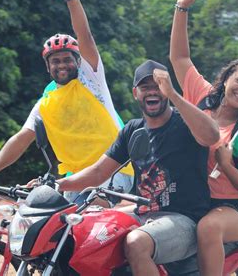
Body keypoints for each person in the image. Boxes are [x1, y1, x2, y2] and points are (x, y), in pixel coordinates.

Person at [0, 0, 133, 204]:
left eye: (67, 59)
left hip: (113, 172)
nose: (62, 64)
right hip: (74, 177)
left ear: (79, 63)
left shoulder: (91, 80)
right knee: (46, 222)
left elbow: (84, 35)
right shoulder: (47, 101)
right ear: (48, 67)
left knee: (83, 220)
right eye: (55, 61)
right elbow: (22, 138)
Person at [56, 60, 220, 276]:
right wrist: (59, 183)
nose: (152, 91)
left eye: (157, 86)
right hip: (143, 213)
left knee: (136, 243)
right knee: (84, 227)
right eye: (145, 87)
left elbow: (212, 135)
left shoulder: (186, 122)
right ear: (136, 93)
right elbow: (98, 172)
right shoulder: (132, 130)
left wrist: (173, 94)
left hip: (185, 218)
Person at [169, 0, 238, 275]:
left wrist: (227, 165)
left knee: (208, 227)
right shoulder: (200, 97)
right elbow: (179, 57)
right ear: (226, 79)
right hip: (189, 198)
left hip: (235, 208)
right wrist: (181, 8)